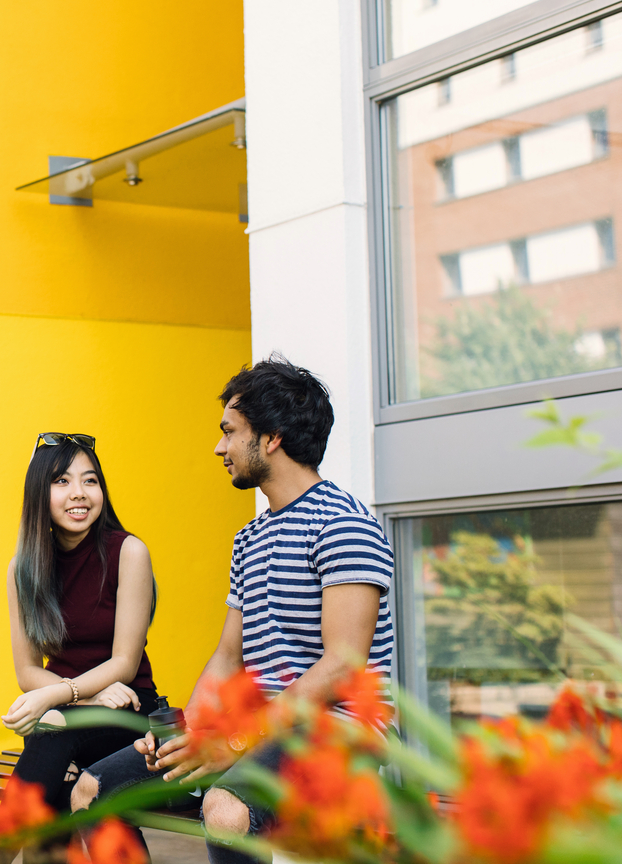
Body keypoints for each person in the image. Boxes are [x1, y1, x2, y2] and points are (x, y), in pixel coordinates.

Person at [70, 357, 395, 864]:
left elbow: (343, 664)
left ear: (272, 437)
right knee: (91, 791)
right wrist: (183, 734)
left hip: (337, 733)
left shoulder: (343, 525)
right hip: (259, 729)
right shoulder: (250, 537)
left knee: (225, 809)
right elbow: (227, 657)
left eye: (230, 431)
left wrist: (239, 739)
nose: (219, 447)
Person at [0, 432, 159, 817]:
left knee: (52, 730)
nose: (79, 493)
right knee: (60, 778)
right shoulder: (23, 569)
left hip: (127, 709)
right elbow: (27, 672)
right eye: (62, 481)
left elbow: (124, 663)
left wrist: (61, 697)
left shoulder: (129, 552)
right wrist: (84, 698)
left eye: (90, 480)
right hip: (68, 712)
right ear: (39, 494)